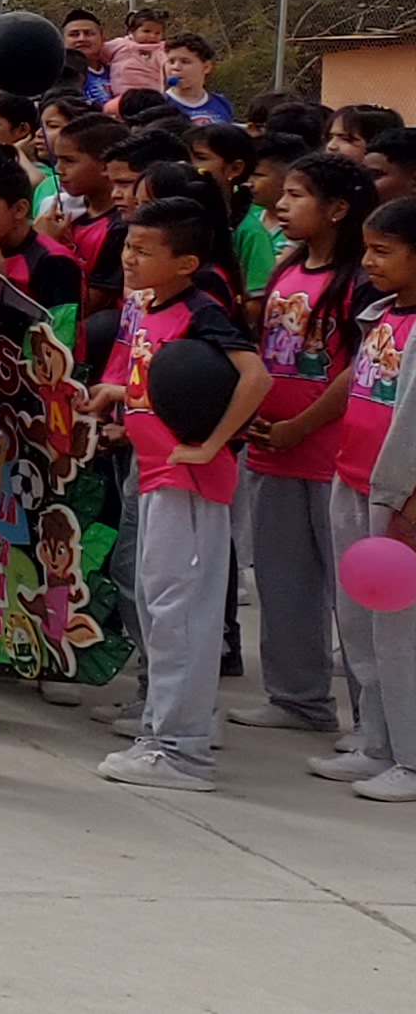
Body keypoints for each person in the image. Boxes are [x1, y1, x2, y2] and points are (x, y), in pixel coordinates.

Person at [94, 197, 268, 791]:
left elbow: (255, 377)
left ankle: (184, 752)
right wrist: (122, 400)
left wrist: (212, 443)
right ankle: (159, 734)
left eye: (144, 251)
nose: (130, 258)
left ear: (187, 262)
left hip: (187, 481)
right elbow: (163, 385)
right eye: (128, 246)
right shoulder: (151, 306)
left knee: (181, 615)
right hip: (155, 472)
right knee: (157, 607)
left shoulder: (202, 311)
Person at [234, 153, 380, 749]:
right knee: (282, 581)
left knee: (355, 597)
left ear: (338, 209)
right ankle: (298, 698)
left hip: (332, 456)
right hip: (274, 450)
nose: (281, 204)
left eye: (297, 195)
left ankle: (376, 724)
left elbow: (360, 367)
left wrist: (302, 424)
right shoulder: (289, 267)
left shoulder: (360, 280)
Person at [331, 195, 416, 801]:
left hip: (398, 497)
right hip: (352, 479)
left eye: (383, 251)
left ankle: (411, 757)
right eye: (367, 249)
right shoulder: (382, 314)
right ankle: (378, 741)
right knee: (360, 625)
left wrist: (409, 503)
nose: (368, 262)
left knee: (400, 634)